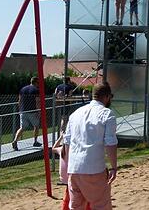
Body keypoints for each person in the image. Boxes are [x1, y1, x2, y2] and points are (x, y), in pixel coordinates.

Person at [64, 82, 118, 210]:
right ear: (107, 97)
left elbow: (67, 141)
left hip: (74, 168)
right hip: (94, 168)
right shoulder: (106, 114)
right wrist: (113, 167)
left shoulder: (75, 114)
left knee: (76, 207)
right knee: (101, 204)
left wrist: (68, 165)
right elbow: (110, 143)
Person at [12, 77, 41, 151]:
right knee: (36, 125)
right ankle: (35, 141)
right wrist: (39, 111)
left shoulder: (23, 89)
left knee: (22, 127)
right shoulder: (36, 90)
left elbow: (19, 100)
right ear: (36, 82)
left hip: (23, 111)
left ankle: (15, 140)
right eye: (38, 83)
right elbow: (37, 101)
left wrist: (19, 110)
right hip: (33, 111)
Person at [51, 116, 69, 186]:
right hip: (70, 178)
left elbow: (53, 148)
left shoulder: (61, 149)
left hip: (63, 178)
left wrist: (60, 137)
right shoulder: (73, 150)